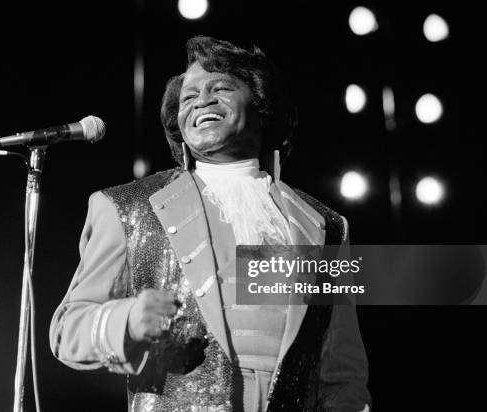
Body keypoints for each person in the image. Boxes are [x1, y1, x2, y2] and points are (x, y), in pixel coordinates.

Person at [50, 36, 371, 412]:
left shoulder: (328, 226)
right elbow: (67, 330)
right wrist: (128, 319)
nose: (202, 100)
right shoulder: (127, 208)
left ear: (261, 104)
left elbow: (340, 372)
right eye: (188, 97)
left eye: (221, 88)